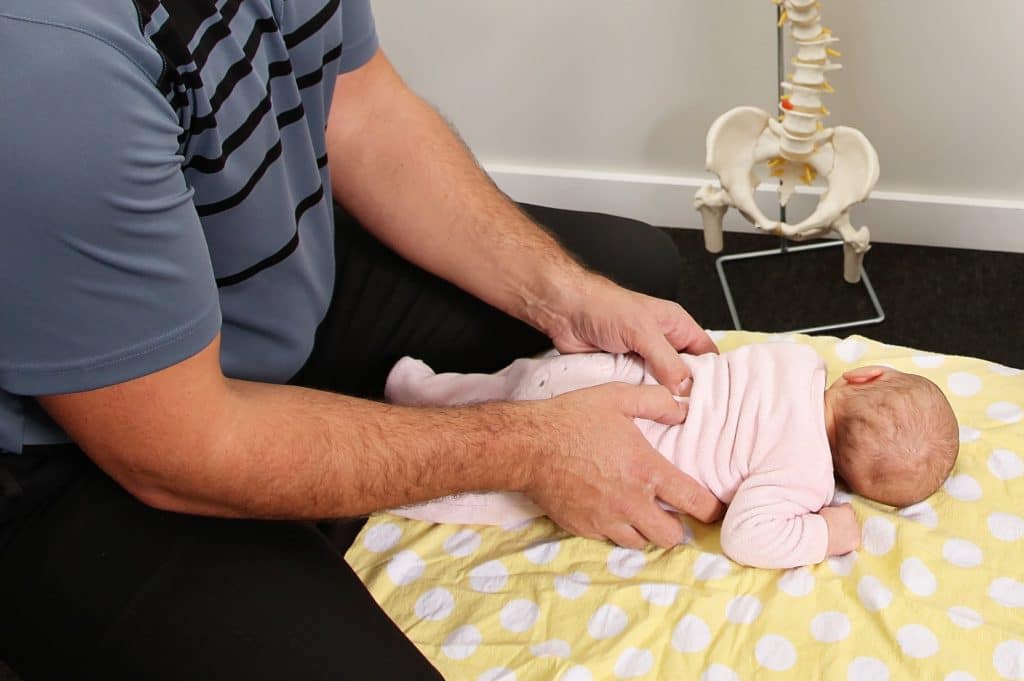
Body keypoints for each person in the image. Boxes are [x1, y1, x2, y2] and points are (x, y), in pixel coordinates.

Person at [0, 1, 724, 679]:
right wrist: (535, 447)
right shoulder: (50, 65)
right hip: (76, 461)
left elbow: (362, 111)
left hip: (258, 284)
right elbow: (185, 445)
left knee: (636, 274)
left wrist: (565, 297)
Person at [384, 342, 961, 569]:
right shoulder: (806, 478)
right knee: (491, 496)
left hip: (598, 375)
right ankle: (398, 492)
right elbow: (747, 537)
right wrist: (832, 533)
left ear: (864, 376)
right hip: (604, 449)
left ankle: (413, 390)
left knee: (495, 390)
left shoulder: (800, 361)